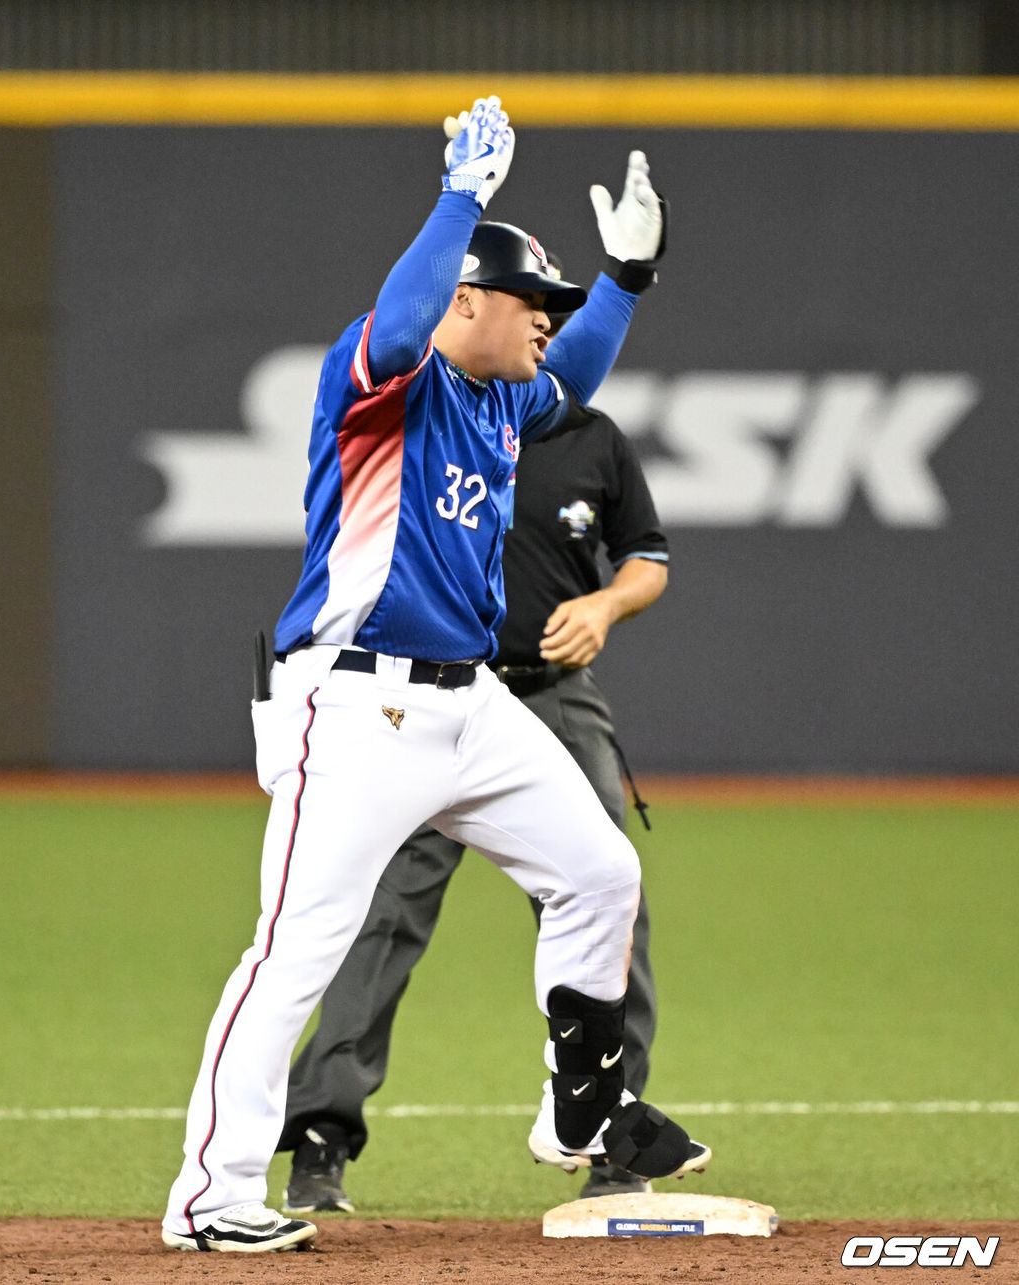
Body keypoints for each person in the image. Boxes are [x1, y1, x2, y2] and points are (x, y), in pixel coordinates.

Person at [162, 94, 710, 1255]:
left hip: (473, 706)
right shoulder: (381, 388)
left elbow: (582, 371)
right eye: (535, 304)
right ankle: (213, 1195)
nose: (549, 326)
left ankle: (579, 1110)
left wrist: (623, 280)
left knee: (600, 872)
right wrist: (461, 197)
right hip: (354, 702)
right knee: (299, 942)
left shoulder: (505, 402)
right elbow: (403, 324)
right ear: (469, 300)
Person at [279, 387, 669, 1213]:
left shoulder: (594, 439)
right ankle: (321, 1137)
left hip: (556, 698)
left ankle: (607, 1129)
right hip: (432, 699)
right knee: (381, 913)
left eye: (550, 314)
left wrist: (606, 602)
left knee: (610, 895)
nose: (541, 327)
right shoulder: (443, 417)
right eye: (528, 308)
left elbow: (648, 556)